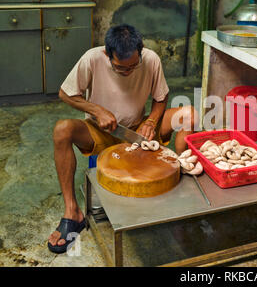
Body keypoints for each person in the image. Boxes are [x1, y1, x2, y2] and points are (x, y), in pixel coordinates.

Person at [47, 24, 198, 253]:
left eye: (132, 66)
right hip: (101, 132)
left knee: (188, 114)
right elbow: (65, 93)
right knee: (62, 130)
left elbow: (161, 97)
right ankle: (72, 212)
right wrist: (97, 111)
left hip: (139, 132)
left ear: (141, 50)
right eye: (120, 68)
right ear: (107, 54)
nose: (127, 72)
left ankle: (184, 185)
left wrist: (151, 122)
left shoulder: (151, 59)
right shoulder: (92, 59)